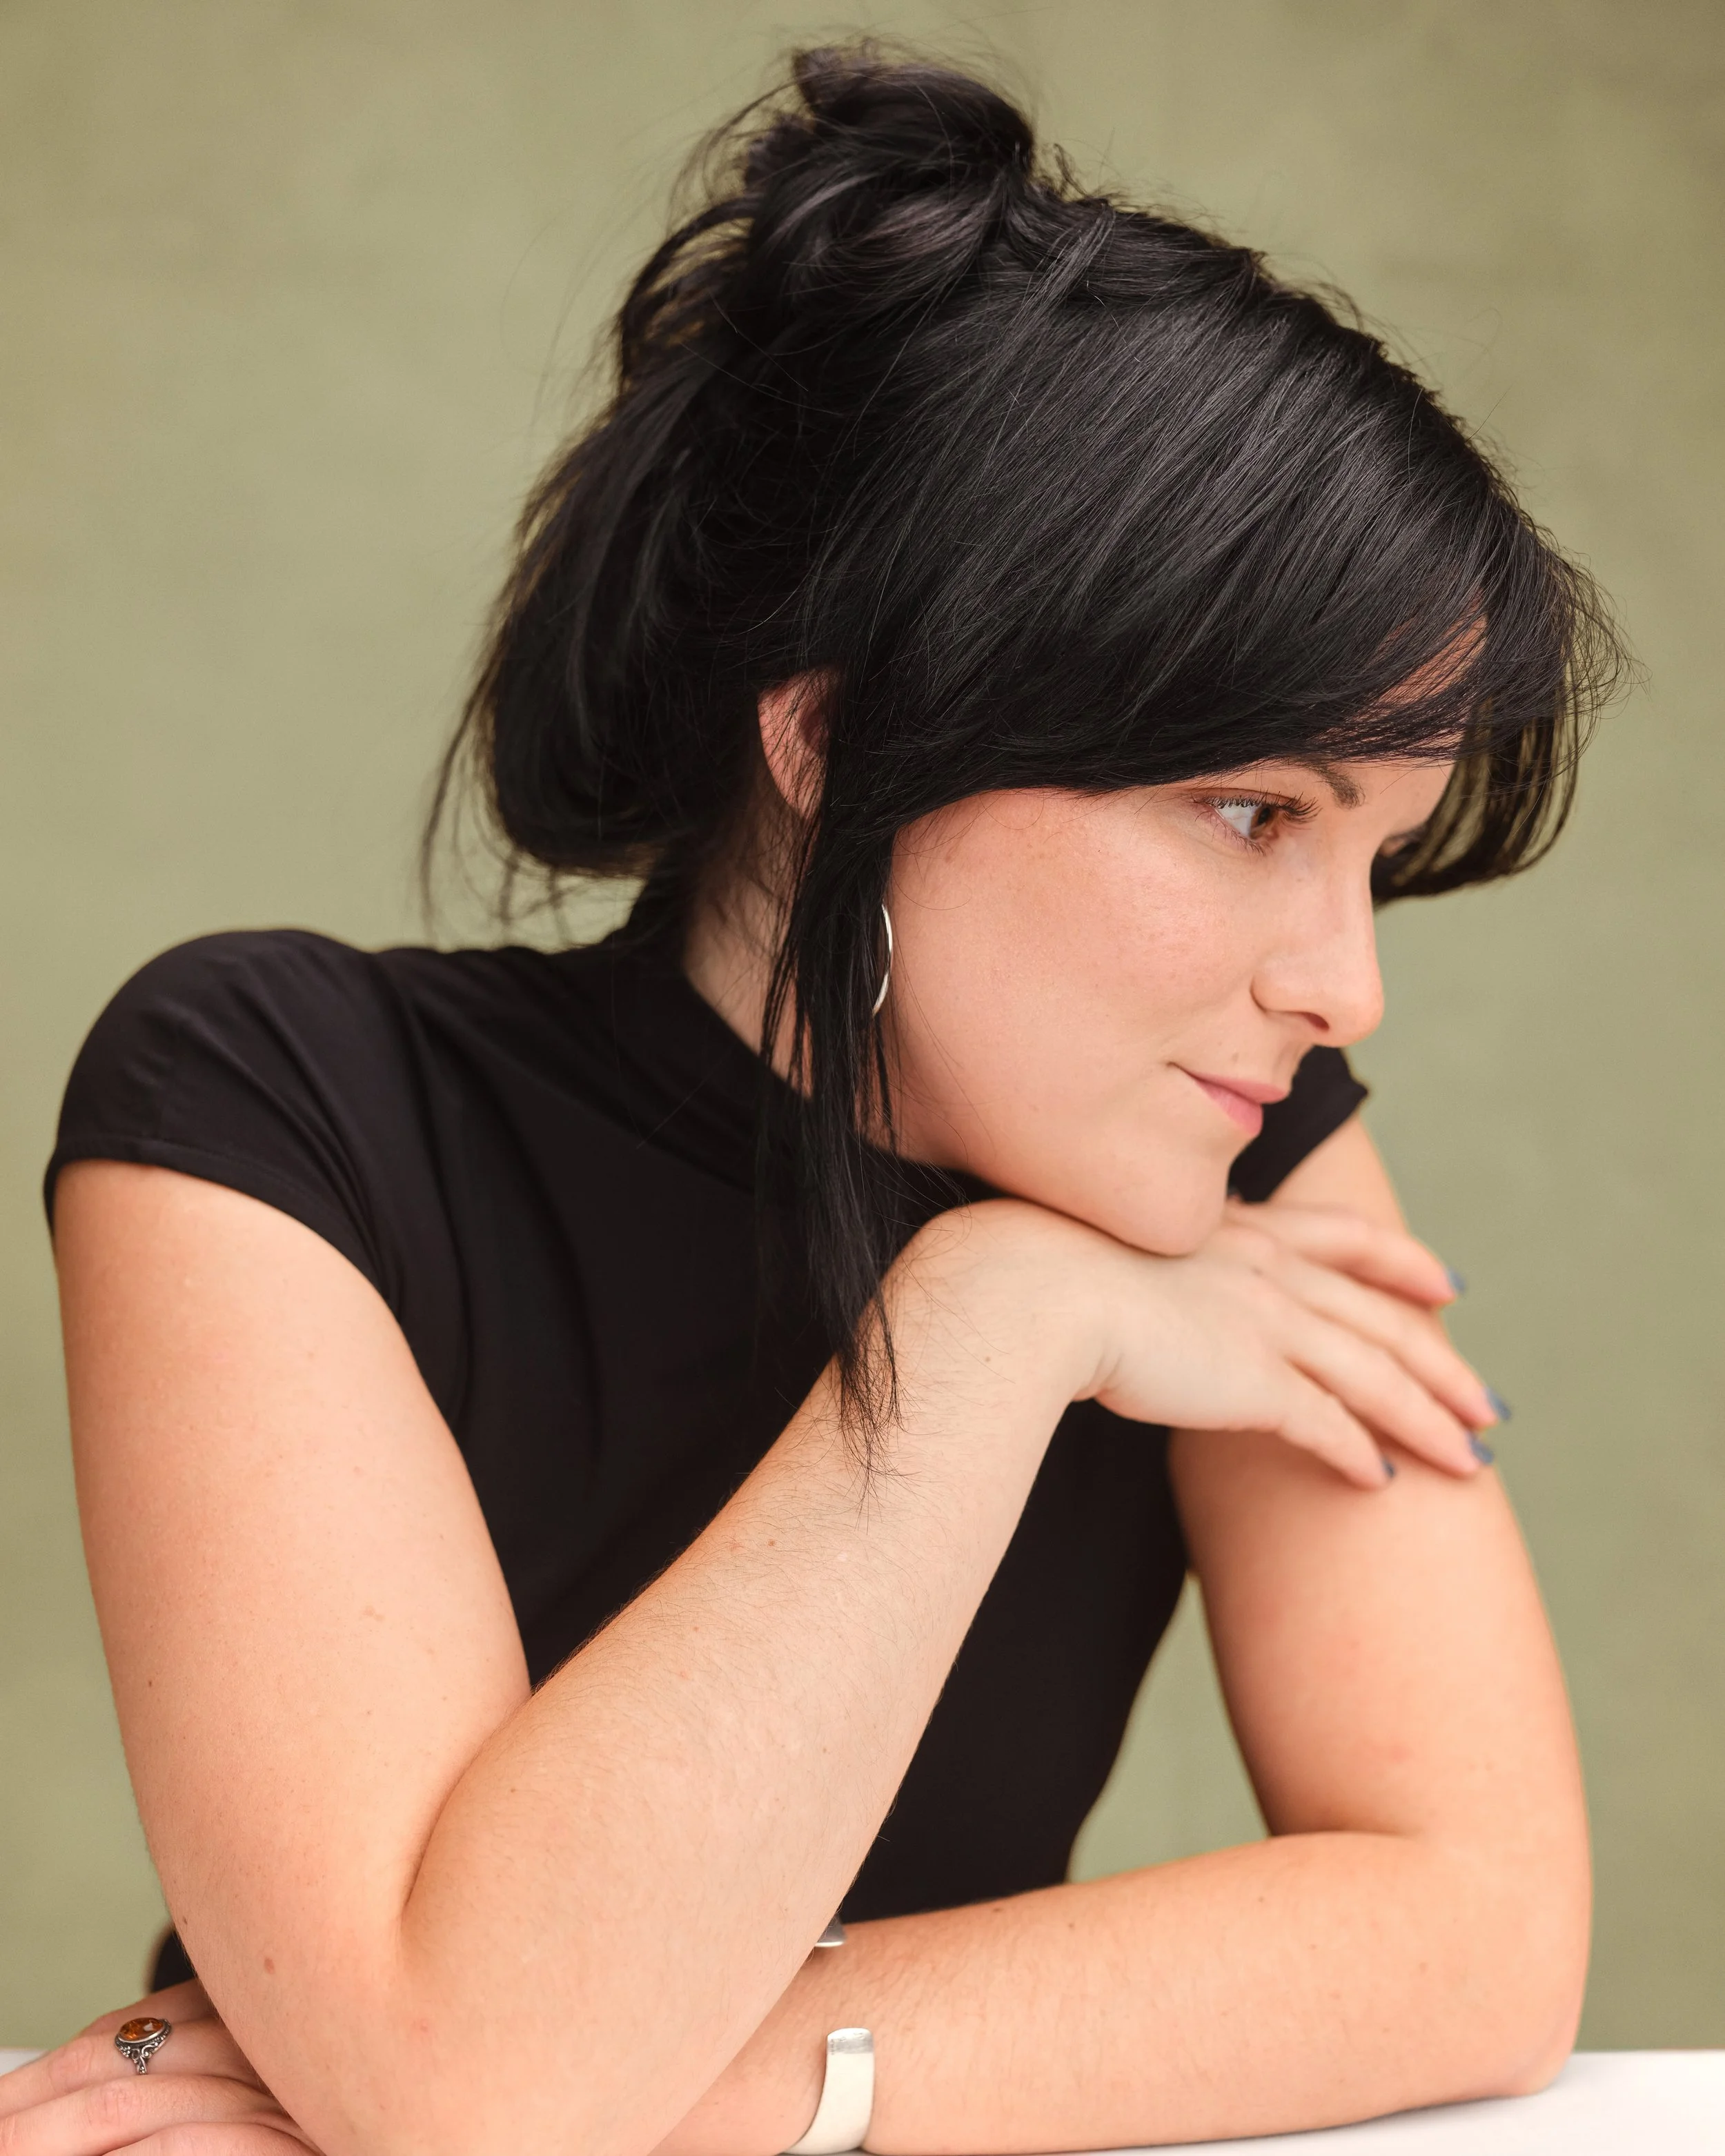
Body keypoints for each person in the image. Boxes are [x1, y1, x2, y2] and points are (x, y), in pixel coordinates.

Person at [10, 43, 1616, 2156]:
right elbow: (472, 2080)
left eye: (1368, 851)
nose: (1343, 981)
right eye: (1247, 812)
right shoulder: (269, 1103)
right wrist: (993, 1324)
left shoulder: (1239, 1135)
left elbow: (1482, 1928)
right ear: (845, 743)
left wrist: (650, 2068)